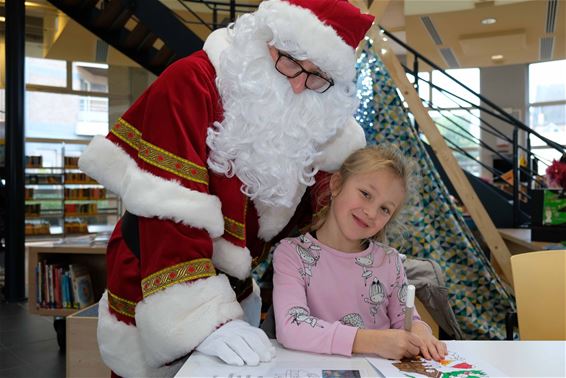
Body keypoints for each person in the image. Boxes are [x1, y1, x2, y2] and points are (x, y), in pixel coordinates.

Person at [77, 0, 374, 376]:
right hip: (160, 279)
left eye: (316, 77)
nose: (299, 85)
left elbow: (316, 220)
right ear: (264, 38)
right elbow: (168, 208)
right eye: (291, 62)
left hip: (234, 290)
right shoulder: (191, 82)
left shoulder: (316, 115)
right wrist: (204, 319)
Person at [273, 145, 448, 361]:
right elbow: (291, 326)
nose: (371, 212)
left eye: (385, 209)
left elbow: (406, 318)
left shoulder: (390, 261)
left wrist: (420, 330)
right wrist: (373, 341)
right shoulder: (291, 253)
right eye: (366, 194)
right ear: (336, 185)